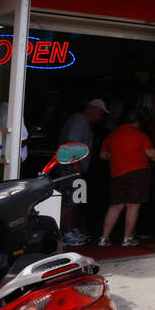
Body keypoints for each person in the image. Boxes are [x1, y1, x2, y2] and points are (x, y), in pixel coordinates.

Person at [98, 111, 155, 247]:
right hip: (138, 173)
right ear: (136, 122)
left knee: (115, 206)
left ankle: (104, 238)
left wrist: (118, 156)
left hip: (117, 174)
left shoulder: (111, 136)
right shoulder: (139, 135)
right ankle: (127, 238)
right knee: (133, 205)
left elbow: (103, 155)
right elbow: (151, 153)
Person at [59, 98, 106, 246]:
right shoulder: (79, 120)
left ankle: (72, 230)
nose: (101, 117)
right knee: (68, 201)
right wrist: (75, 164)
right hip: (70, 167)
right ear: (92, 109)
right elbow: (70, 142)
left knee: (75, 200)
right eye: (100, 113)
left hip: (75, 167)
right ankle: (67, 233)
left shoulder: (81, 121)